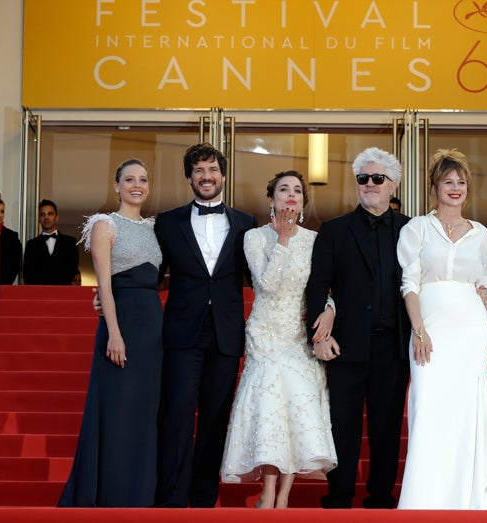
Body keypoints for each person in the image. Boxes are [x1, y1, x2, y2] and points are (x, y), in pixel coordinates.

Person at [395, 149, 487, 509]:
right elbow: (409, 283)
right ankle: (424, 497)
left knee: (466, 413)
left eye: (461, 182)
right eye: (448, 182)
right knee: (428, 405)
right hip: (431, 330)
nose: (455, 188)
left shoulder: (481, 234)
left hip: (470, 331)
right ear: (434, 187)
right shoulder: (416, 228)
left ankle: (466, 495)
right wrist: (419, 330)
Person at [221, 171, 337, 508]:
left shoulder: (316, 240)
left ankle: (284, 496)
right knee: (270, 410)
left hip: (299, 336)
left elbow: (324, 288)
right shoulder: (254, 238)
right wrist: (283, 240)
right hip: (265, 333)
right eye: (283, 190)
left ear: (303, 200)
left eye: (297, 191)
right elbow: (267, 284)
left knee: (294, 413)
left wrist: (330, 309)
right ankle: (267, 493)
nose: (291, 195)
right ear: (271, 199)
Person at [306, 147, 410, 509]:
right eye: (362, 178)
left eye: (377, 178)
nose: (369, 184)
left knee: (386, 428)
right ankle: (339, 496)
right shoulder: (334, 230)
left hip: (393, 346)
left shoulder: (411, 229)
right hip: (345, 345)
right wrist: (319, 336)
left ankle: (381, 497)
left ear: (392, 185)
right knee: (343, 426)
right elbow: (318, 285)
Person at [155, 142, 257, 508]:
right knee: (178, 415)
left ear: (223, 175)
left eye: (212, 170)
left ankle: (202, 500)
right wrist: (112, 292)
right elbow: (151, 274)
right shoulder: (167, 223)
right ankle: (171, 499)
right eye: (199, 171)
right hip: (183, 332)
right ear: (188, 178)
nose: (206, 176)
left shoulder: (246, 223)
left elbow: (260, 277)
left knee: (215, 419)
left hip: (226, 334)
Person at [58, 159, 163, 507]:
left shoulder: (154, 228)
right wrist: (114, 333)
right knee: (116, 413)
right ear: (116, 186)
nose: (137, 185)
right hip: (122, 327)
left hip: (153, 329)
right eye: (129, 179)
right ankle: (109, 496)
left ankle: (138, 495)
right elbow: (104, 283)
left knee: (143, 416)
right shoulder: (105, 224)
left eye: (143, 179)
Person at [23, 199, 79, 285]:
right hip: (38, 295)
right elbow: (28, 274)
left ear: (57, 217)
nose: (46, 217)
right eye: (42, 214)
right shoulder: (31, 245)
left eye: (50, 214)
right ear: (39, 219)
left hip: (62, 293)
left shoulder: (70, 243)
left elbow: (72, 270)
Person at [0, 190, 22, 285]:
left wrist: (5, 284)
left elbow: (15, 266)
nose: (0, 215)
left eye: (2, 211)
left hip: (4, 288)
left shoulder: (12, 237)